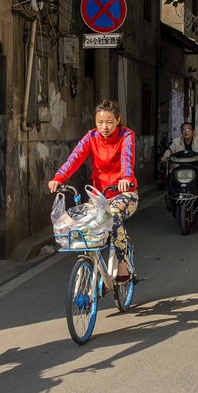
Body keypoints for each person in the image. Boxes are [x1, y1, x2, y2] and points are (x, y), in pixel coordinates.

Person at [48, 100, 138, 282]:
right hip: (99, 196)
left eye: (110, 122)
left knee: (113, 217)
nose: (104, 127)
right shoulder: (91, 137)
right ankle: (92, 271)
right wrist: (59, 177)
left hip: (124, 193)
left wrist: (126, 178)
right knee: (82, 224)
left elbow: (127, 156)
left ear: (118, 120)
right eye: (100, 122)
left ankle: (122, 264)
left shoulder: (126, 135)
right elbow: (75, 157)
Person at [161, 121, 198, 189]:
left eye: (188, 129)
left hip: (196, 165)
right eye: (183, 130)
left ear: (193, 131)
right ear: (181, 132)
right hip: (180, 165)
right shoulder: (176, 141)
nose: (186, 131)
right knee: (170, 178)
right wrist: (165, 156)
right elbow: (170, 150)